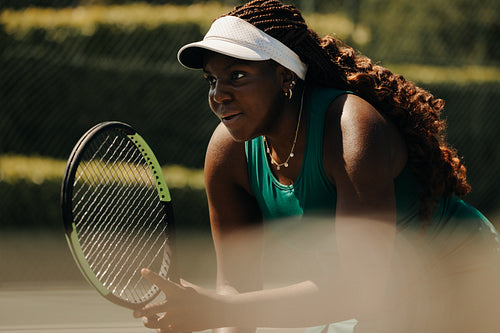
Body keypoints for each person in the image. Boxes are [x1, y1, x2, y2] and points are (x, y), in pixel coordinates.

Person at [133, 1, 500, 332]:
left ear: (285, 76)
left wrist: (223, 310)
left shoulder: (351, 128)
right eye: (211, 80)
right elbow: (236, 287)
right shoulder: (227, 152)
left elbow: (361, 287)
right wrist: (213, 313)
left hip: (459, 277)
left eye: (237, 75)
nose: (218, 94)